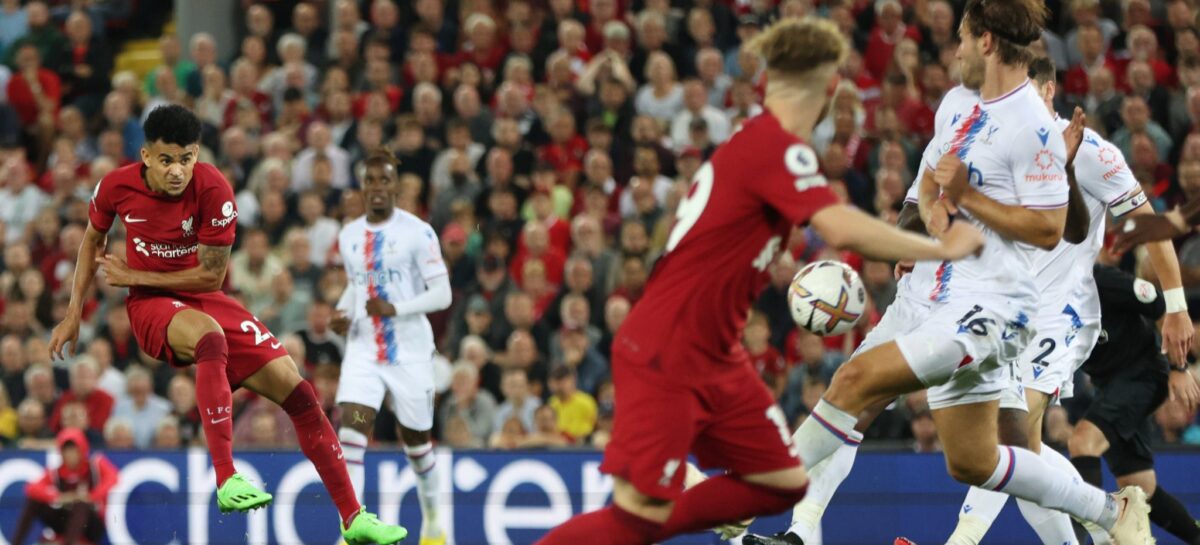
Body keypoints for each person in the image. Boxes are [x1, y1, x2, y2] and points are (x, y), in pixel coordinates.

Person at [534, 17, 984, 545]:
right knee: (635, 519)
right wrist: (941, 248)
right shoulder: (775, 146)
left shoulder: (759, 144)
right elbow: (838, 225)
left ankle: (694, 497)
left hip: (713, 352)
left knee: (782, 482)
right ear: (827, 88)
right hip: (670, 346)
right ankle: (677, 506)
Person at [751, 2, 1150, 544]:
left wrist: (969, 197)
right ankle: (1110, 513)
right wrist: (928, 222)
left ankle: (749, 503)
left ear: (985, 43)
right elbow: (929, 186)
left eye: (962, 40)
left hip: (991, 306)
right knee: (975, 461)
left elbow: (1053, 229)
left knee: (854, 384)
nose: (954, 51)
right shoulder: (957, 104)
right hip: (933, 294)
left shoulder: (1033, 127)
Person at [46, 104, 407, 544]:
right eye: (166, 160)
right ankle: (226, 478)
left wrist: (133, 273)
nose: (178, 170)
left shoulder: (215, 189)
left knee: (302, 395)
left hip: (203, 294)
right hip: (151, 306)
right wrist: (72, 314)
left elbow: (211, 276)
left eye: (186, 158)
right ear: (145, 156)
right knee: (209, 338)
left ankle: (353, 519)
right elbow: (92, 239)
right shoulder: (115, 187)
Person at [930, 56, 1192, 545]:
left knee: (1001, 437)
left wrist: (1175, 305)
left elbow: (1148, 225)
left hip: (1060, 316)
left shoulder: (1092, 151)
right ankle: (1106, 518)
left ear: (1049, 91)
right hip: (1002, 312)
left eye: (1023, 90)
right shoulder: (999, 145)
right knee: (1021, 451)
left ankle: (961, 540)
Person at [330, 151, 452, 545]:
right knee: (352, 430)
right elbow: (358, 284)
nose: (377, 188)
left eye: (384, 180)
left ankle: (433, 521)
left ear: (395, 186)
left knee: (416, 444)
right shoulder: (348, 235)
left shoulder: (419, 232)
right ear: (363, 186)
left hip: (410, 352)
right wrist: (342, 311)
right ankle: (351, 530)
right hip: (364, 349)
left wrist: (395, 308)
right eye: (371, 181)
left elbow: (443, 294)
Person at [1069, 264, 1200, 545]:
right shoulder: (1044, 293)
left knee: (1082, 442)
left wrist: (1179, 366)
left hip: (1144, 372)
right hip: (1109, 386)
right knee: (1140, 487)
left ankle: (1087, 539)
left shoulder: (1101, 279)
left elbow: (1164, 308)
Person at [11, 428, 117, 545]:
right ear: (61, 452)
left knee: (81, 504)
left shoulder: (96, 464)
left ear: (83, 449)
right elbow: (31, 488)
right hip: (66, 523)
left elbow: (114, 478)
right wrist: (59, 496)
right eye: (67, 451)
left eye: (74, 450)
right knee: (34, 502)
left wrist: (90, 497)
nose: (71, 455)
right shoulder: (56, 472)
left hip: (92, 525)